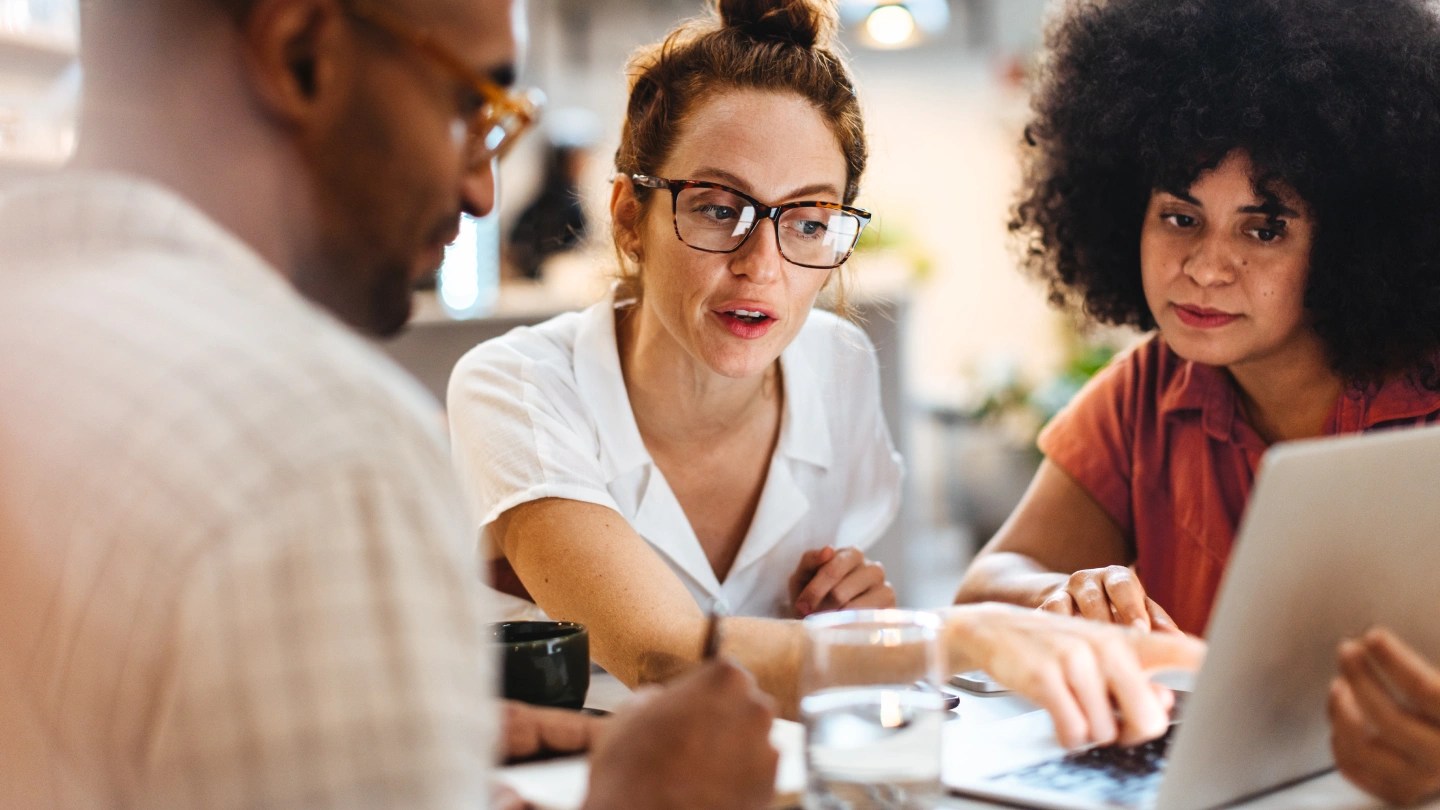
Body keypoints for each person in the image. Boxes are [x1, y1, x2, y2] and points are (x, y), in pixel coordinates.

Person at [0, 0, 778, 806]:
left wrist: (411, 753)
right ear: (302, 56)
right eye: (472, 106)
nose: (482, 189)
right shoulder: (326, 450)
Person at [448, 0, 1203, 742]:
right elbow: (661, 653)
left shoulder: (836, 371)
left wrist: (851, 620)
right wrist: (954, 638)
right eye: (717, 208)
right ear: (626, 216)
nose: (761, 266)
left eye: (808, 221)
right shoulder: (517, 387)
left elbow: (817, 664)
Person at [951, 0, 1440, 802]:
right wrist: (1057, 598)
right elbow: (985, 588)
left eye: (1264, 228)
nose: (1206, 266)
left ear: (1356, 239)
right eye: (1180, 216)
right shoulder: (1144, 393)